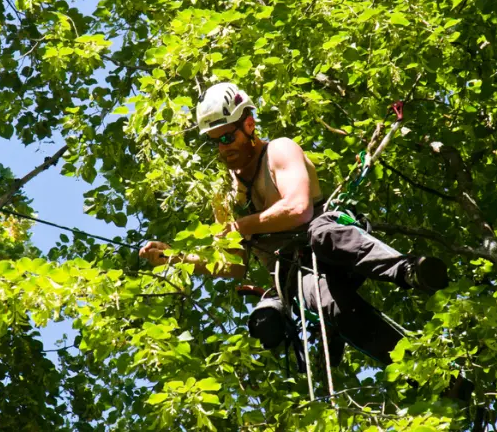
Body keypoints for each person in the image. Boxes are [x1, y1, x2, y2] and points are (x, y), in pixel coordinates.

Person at [139, 82, 450, 368]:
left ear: (248, 126)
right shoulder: (223, 196)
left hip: (332, 241)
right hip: (294, 270)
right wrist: (175, 258)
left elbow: (299, 210)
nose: (223, 148)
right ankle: (422, 371)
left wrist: (239, 227)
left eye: (226, 137)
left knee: (320, 234)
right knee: (335, 309)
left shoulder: (278, 150)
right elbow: (233, 266)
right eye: (214, 143)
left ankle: (409, 270)